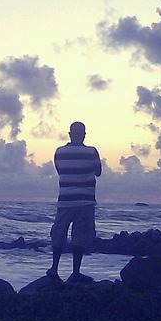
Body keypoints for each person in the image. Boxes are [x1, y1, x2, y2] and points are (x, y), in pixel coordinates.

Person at [48, 121, 102, 284]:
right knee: (80, 236)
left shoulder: (59, 152)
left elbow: (60, 171)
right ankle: (75, 272)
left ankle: (54, 269)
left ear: (69, 134)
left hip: (65, 200)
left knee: (59, 234)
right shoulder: (92, 152)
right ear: (84, 135)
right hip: (85, 201)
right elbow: (98, 172)